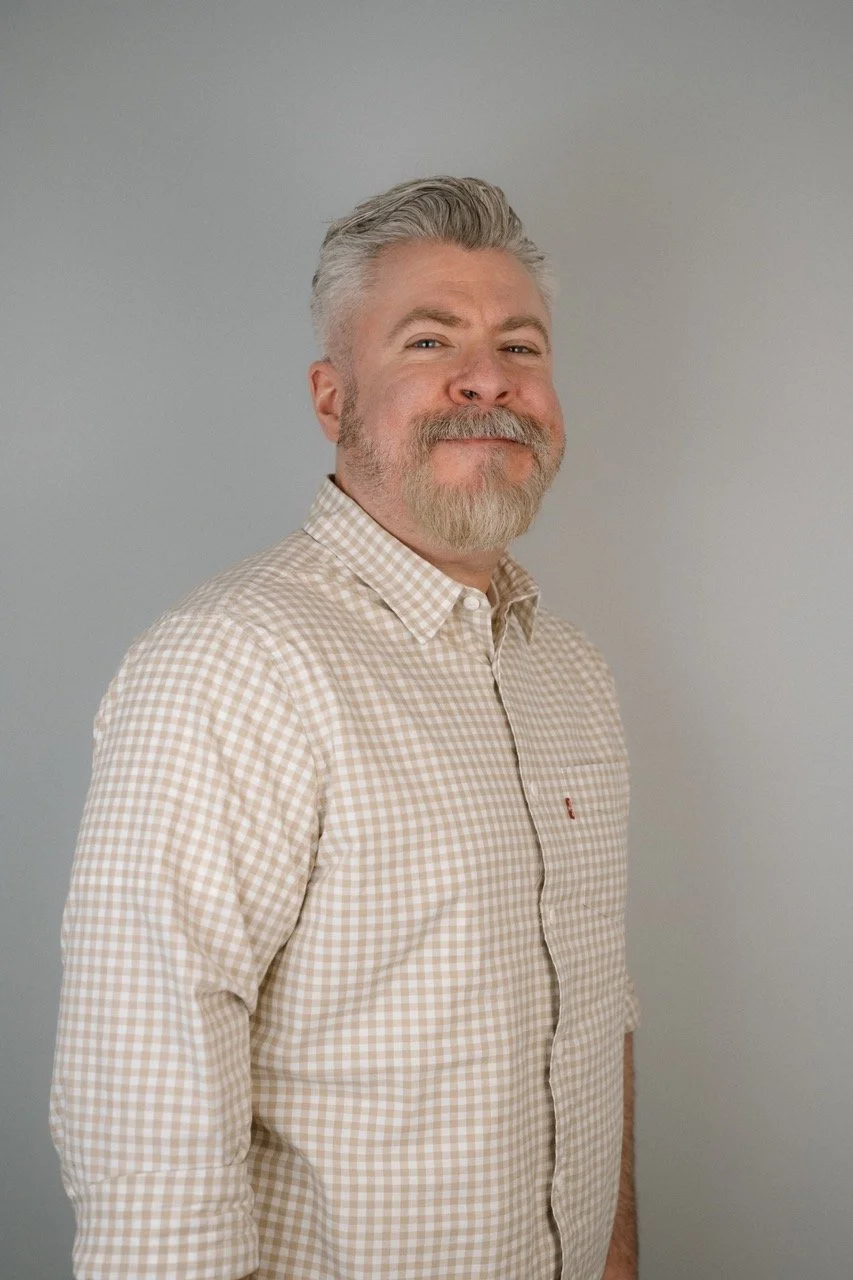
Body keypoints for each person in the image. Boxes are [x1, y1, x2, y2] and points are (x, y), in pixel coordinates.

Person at [51, 176, 639, 1280]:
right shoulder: (234, 661)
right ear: (332, 399)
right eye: (430, 340)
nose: (488, 378)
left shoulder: (573, 675)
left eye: (522, 345)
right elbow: (148, 1116)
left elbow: (596, 1015)